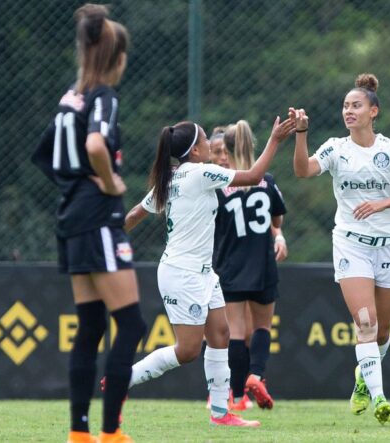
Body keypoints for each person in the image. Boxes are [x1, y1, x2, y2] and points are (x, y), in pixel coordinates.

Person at [122, 116, 295, 428]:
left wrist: (110, 241)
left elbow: (135, 214)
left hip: (203, 272)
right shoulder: (202, 173)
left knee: (221, 335)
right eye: (205, 140)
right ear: (197, 151)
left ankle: (220, 412)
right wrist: (276, 140)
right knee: (187, 350)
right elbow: (255, 174)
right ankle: (124, 379)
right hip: (182, 273)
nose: (211, 145)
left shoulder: (171, 178)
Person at [30, 3, 145, 443]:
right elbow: (96, 143)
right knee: (130, 324)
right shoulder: (103, 96)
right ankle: (111, 433)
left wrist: (75, 184)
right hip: (98, 219)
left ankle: (79, 434)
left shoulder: (68, 97)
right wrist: (108, 181)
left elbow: (46, 156)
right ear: (116, 58)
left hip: (71, 219)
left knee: (92, 325)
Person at [292, 73, 390, 424]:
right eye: (345, 106)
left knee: (382, 332)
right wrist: (301, 134)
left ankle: (362, 379)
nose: (348, 111)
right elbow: (303, 170)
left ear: (374, 111)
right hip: (351, 244)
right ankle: (380, 397)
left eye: (356, 105)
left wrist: (385, 203)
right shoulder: (336, 148)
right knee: (364, 323)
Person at [210, 121, 289, 412]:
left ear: (226, 152)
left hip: (230, 267)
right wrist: (277, 234)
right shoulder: (266, 180)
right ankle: (256, 375)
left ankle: (239, 397)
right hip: (263, 264)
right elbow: (277, 219)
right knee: (262, 327)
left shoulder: (218, 185)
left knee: (236, 333)